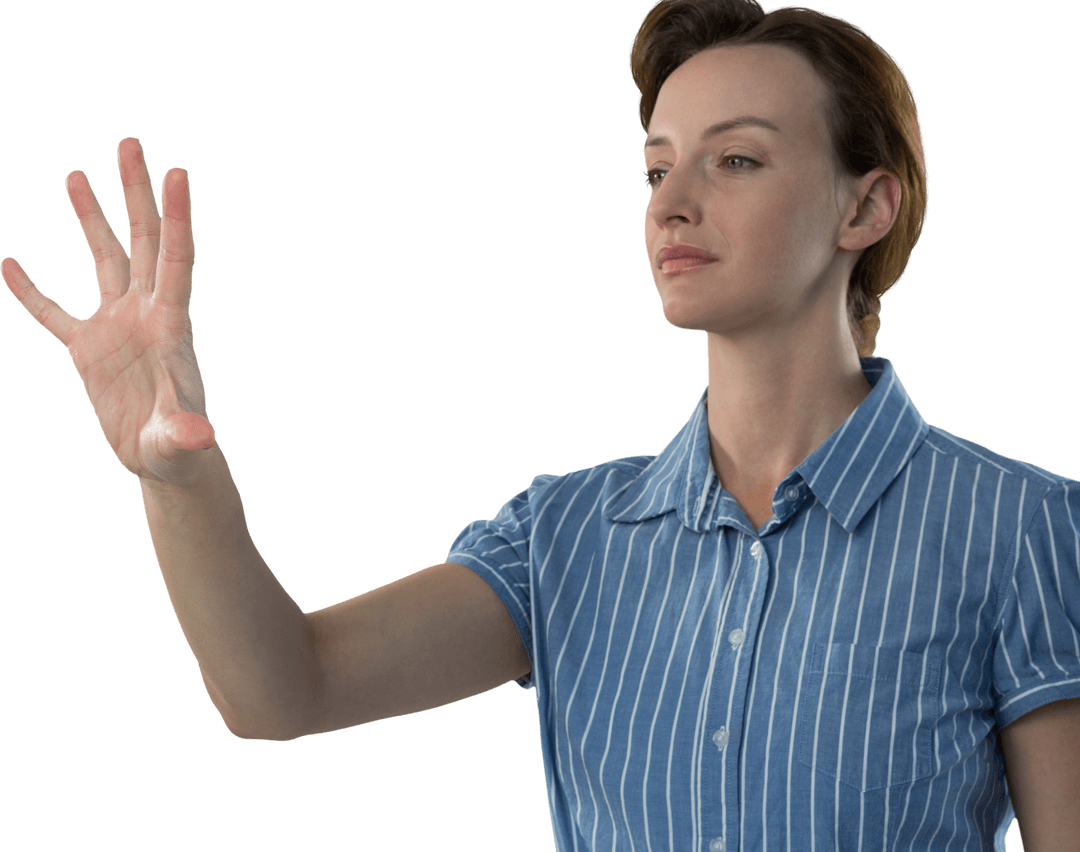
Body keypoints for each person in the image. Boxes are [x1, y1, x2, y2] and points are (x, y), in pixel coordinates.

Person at [2, 0, 1077, 849]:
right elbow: (286, 687)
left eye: (735, 159)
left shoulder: (1020, 531)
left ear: (866, 207)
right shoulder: (564, 540)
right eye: (657, 167)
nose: (671, 202)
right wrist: (177, 475)